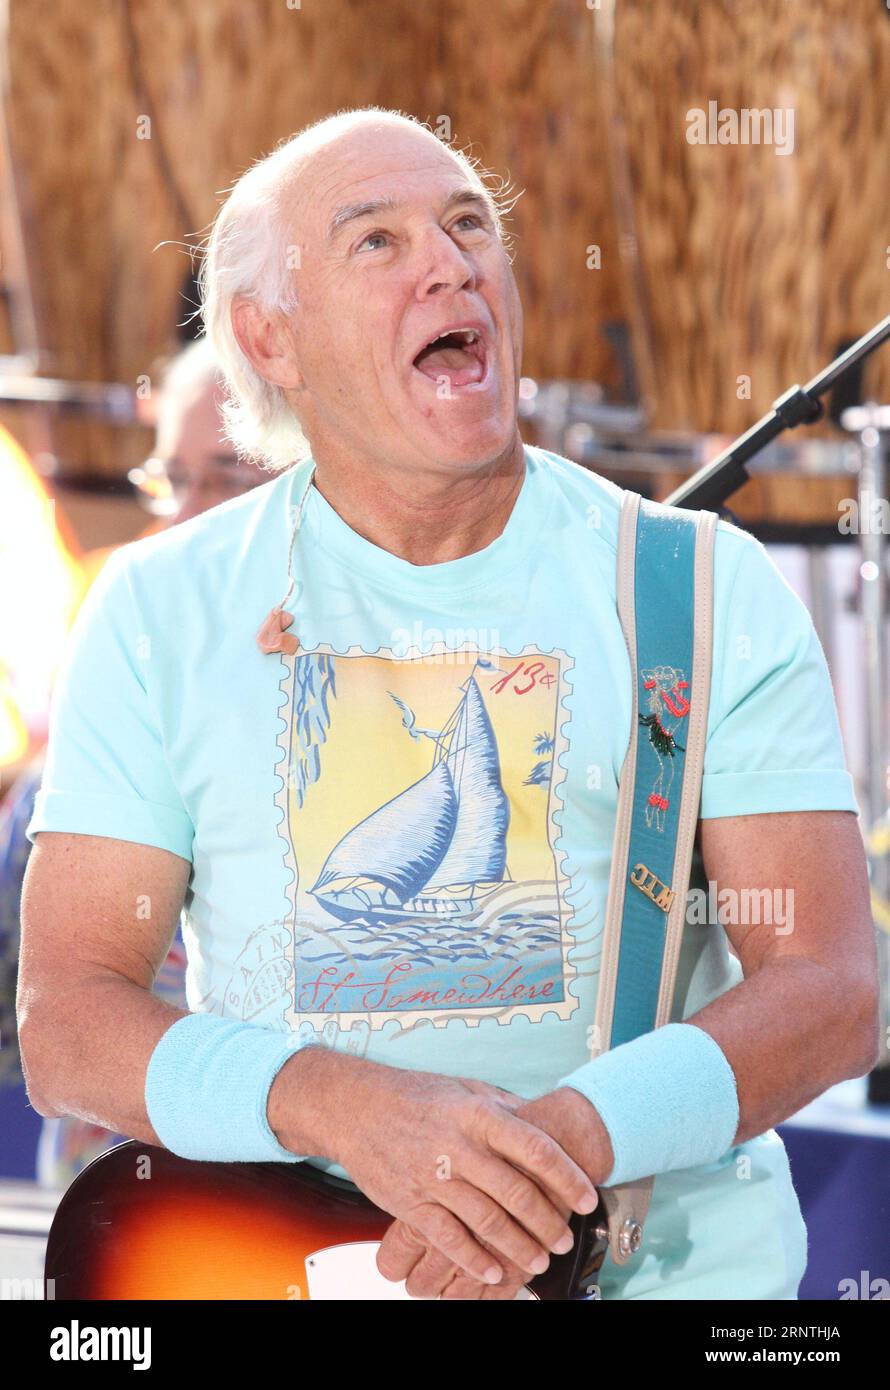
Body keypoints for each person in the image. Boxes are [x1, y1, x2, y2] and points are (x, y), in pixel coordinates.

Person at [17, 107, 878, 1300]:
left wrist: (551, 1158)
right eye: (376, 239)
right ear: (271, 338)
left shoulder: (700, 588)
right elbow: (68, 1020)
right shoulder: (159, 607)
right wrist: (341, 1106)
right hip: (290, 1269)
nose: (450, 260)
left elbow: (831, 991)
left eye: (468, 223)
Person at [3, 339, 274, 1186]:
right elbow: (37, 1045)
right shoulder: (116, 682)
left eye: (228, 477)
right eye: (172, 479)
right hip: (119, 1227)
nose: (188, 515)